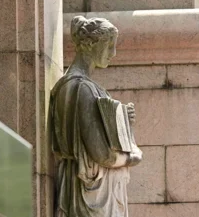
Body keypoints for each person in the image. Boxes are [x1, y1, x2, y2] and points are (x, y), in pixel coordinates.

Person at [49, 16, 142, 217]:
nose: (113, 53)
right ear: (90, 45)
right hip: (92, 195)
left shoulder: (66, 86)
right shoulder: (83, 89)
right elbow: (102, 155)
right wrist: (132, 157)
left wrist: (124, 124)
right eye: (109, 46)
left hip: (83, 188)